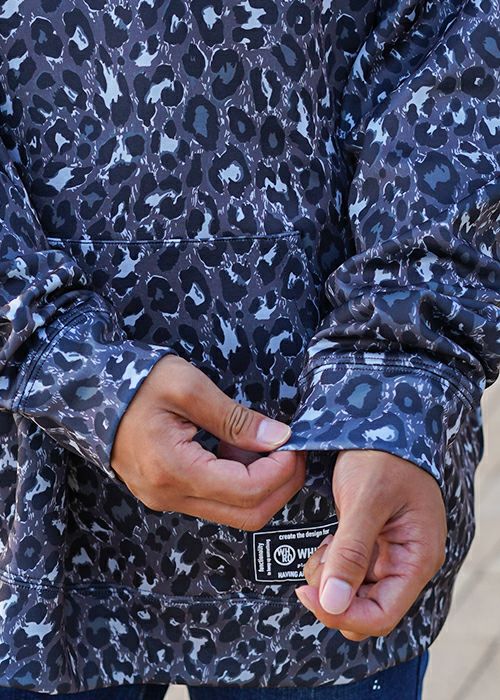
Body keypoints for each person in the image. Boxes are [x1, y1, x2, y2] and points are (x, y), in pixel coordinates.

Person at [0, 0, 498, 697]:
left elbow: (463, 35)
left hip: (340, 491)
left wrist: (399, 386)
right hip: (31, 505)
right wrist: (69, 368)